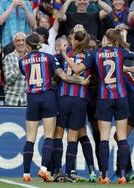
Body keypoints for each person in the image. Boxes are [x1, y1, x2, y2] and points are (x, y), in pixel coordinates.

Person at [62, 28, 134, 184]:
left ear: (105, 39)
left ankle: (104, 176)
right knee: (122, 137)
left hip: (104, 98)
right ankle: (123, 175)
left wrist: (64, 55)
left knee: (104, 138)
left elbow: (77, 70)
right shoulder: (120, 51)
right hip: (120, 97)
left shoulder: (95, 54)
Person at [19, 33, 90, 182]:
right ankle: (44, 169)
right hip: (48, 97)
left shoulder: (22, 60)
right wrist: (81, 82)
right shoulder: (49, 57)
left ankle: (26, 174)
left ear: (27, 46)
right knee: (49, 135)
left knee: (30, 137)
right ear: (40, 43)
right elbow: (64, 77)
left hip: (32, 97)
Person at [52, 29, 96, 182]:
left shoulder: (64, 54)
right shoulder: (90, 56)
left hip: (63, 97)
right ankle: (69, 172)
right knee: (73, 137)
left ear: (75, 41)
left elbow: (54, 67)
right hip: (80, 99)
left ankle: (57, 171)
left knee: (58, 134)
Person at [3, 32, 27, 106]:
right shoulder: (8, 58)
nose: (21, 43)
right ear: (14, 43)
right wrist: (21, 68)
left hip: (27, 100)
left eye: (23, 40)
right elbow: (9, 80)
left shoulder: (30, 57)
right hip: (12, 99)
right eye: (18, 40)